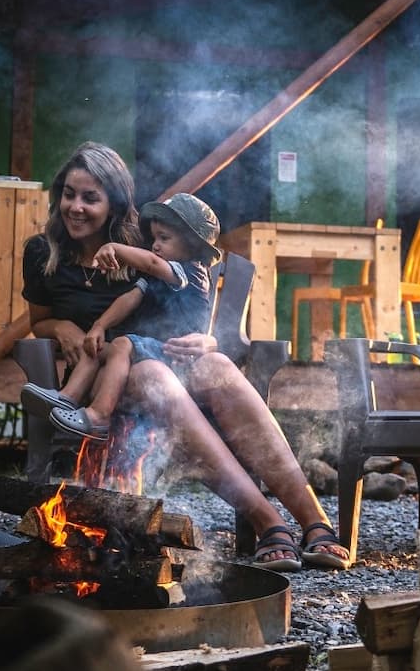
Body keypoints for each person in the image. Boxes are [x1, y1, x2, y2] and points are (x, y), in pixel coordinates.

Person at [20, 142, 352, 571]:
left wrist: (209, 340)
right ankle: (270, 524)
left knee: (215, 366)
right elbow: (39, 322)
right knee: (154, 376)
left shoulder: (146, 242)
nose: (75, 207)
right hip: (101, 378)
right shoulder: (43, 251)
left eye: (90, 198)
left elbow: (188, 299)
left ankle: (315, 522)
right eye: (69, 194)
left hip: (168, 362)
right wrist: (63, 327)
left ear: (115, 202)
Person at [25, 192, 222, 441]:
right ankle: (66, 398)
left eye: (164, 238)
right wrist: (99, 326)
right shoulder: (159, 274)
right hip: (154, 350)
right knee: (97, 347)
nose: (155, 245)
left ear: (192, 246)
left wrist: (114, 248)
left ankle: (99, 415)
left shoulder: (191, 272)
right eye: (154, 238)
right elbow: (130, 298)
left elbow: (150, 262)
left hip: (176, 354)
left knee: (122, 344)